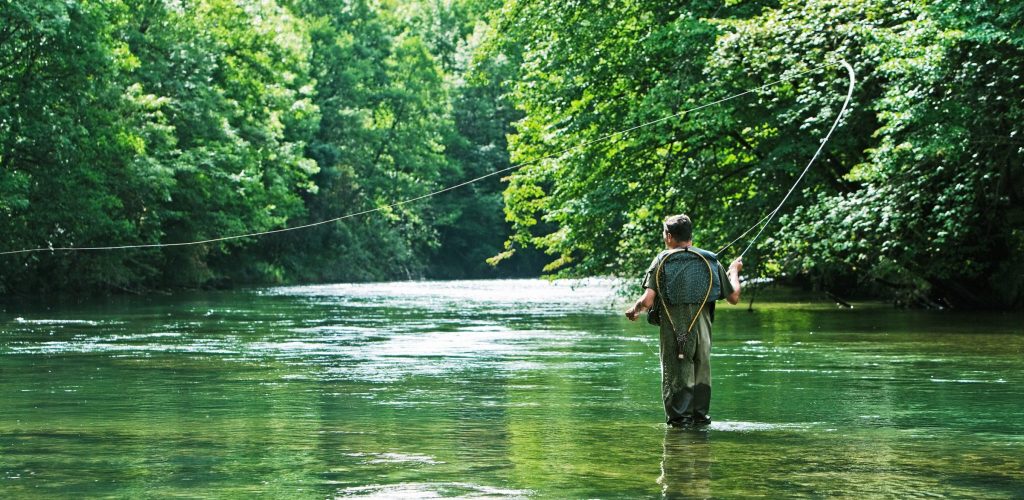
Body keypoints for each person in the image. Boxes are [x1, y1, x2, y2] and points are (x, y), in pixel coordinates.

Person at [625, 214, 742, 427]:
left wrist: (634, 310)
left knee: (678, 409)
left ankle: (678, 447)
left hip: (675, 337)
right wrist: (734, 271)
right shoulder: (710, 259)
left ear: (669, 236)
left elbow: (648, 301)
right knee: (700, 414)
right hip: (702, 339)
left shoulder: (662, 259)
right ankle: (699, 443)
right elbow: (733, 297)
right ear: (690, 235)